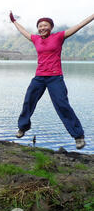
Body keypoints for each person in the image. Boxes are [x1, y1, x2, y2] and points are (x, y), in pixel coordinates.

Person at [10, 11, 93, 149]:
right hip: (39, 77)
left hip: (55, 77)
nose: (42, 28)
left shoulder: (59, 37)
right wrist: (14, 21)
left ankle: (78, 136)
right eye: (40, 26)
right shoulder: (36, 39)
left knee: (62, 105)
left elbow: (79, 25)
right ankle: (23, 127)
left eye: (45, 25)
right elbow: (23, 31)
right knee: (28, 100)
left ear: (51, 27)